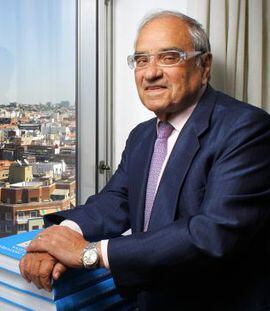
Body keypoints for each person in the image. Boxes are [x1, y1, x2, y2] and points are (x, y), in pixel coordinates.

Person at [19, 10, 270, 311]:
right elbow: (115, 201)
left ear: (204, 66)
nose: (150, 73)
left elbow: (212, 233)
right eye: (141, 60)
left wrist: (91, 253)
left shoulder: (247, 128)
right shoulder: (142, 136)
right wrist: (59, 237)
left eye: (168, 57)